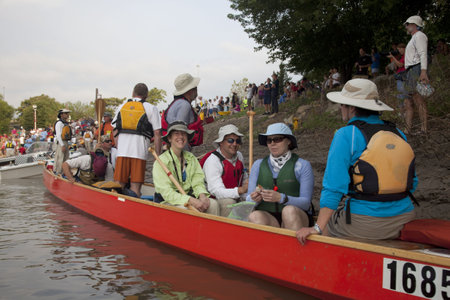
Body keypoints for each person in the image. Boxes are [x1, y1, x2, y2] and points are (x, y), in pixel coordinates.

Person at [296, 79, 417, 245]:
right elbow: (413, 181)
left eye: (342, 104)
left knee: (326, 226)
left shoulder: (346, 134)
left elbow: (333, 187)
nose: (341, 108)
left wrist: (317, 227)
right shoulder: (398, 133)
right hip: (405, 218)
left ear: (351, 107)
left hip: (367, 223)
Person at [246, 123, 314, 231]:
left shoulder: (302, 165)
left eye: (277, 139)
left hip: (297, 216)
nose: (272, 143)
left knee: (289, 212)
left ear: (289, 141)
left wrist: (281, 198)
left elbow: (306, 203)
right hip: (269, 217)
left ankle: (293, 247)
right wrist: (254, 199)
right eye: (269, 140)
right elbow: (248, 200)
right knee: (254, 216)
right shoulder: (258, 165)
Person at [153, 121, 220, 215]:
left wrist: (202, 195)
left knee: (213, 204)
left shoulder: (191, 158)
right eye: (176, 133)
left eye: (183, 133)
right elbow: (167, 193)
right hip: (168, 201)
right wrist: (190, 200)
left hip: (188, 197)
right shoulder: (161, 162)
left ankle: (211, 229)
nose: (180, 137)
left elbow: (198, 181)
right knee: (185, 210)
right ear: (169, 138)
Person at [112, 83, 162, 198]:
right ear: (146, 95)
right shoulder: (151, 108)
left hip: (122, 152)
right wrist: (158, 156)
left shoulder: (122, 107)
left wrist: (118, 147)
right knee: (135, 187)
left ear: (133, 93)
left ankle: (117, 209)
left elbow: (115, 130)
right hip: (139, 152)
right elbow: (158, 133)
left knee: (118, 184)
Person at [201, 125, 248, 217]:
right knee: (230, 202)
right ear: (221, 142)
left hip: (235, 194)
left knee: (251, 202)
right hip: (214, 200)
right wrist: (240, 191)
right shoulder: (213, 161)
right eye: (230, 140)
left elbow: (244, 179)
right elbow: (217, 191)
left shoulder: (239, 156)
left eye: (237, 141)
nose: (234, 144)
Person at [161, 73, 204, 149]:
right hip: (178, 151)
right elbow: (180, 132)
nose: (197, 89)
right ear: (190, 90)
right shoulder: (184, 105)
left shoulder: (178, 103)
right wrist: (184, 156)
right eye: (195, 87)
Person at [403, 15, 429, 134]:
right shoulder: (413, 38)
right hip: (410, 71)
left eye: (407, 24)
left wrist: (423, 71)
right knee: (408, 101)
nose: (406, 26)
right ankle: (407, 129)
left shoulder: (420, 36)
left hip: (416, 69)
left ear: (414, 24)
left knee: (418, 99)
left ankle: (424, 128)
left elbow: (423, 54)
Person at [54, 108, 72, 174]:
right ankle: (58, 172)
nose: (67, 115)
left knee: (66, 158)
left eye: (68, 113)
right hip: (61, 142)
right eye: (66, 113)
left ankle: (64, 172)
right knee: (60, 158)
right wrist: (62, 145)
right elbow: (58, 135)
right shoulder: (59, 123)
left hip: (65, 142)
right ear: (61, 114)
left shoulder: (65, 123)